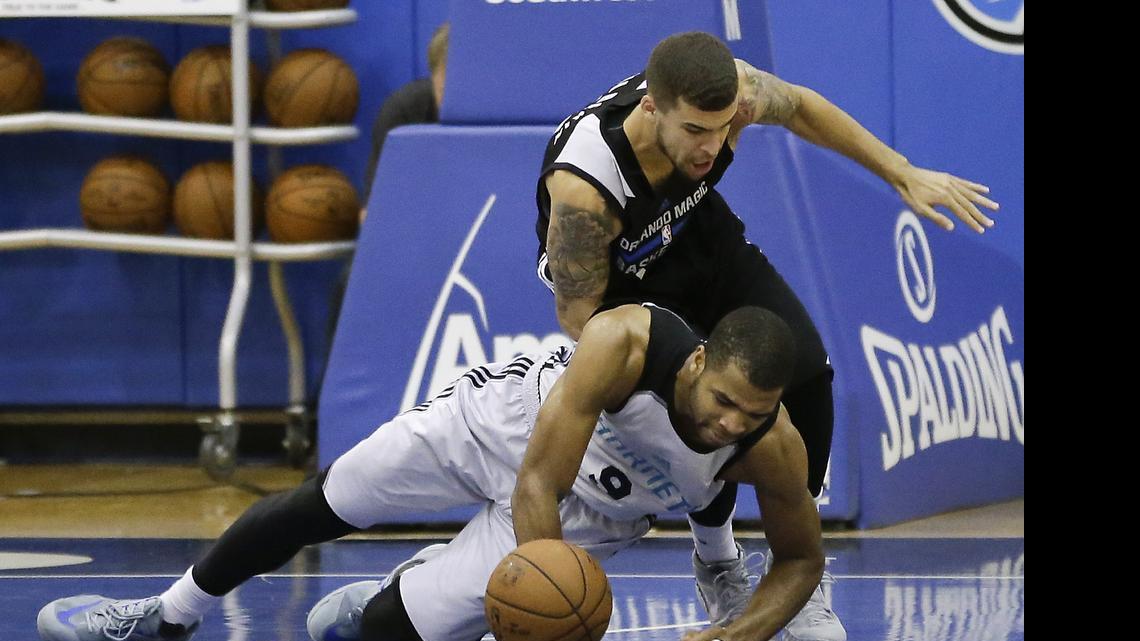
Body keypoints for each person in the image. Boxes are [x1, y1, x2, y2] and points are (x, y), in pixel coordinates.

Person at [534, 31, 1000, 640]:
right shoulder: (585, 191)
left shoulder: (738, 93)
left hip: (698, 237)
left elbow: (802, 107)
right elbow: (580, 318)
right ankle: (718, 558)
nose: (713, 145)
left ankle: (797, 573)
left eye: (723, 128)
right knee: (710, 404)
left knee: (805, 370)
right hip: (624, 286)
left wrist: (901, 173)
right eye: (696, 132)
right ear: (652, 107)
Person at [37, 303, 824, 641]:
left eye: (749, 415)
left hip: (593, 513)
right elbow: (535, 484)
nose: (730, 423)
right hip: (500, 431)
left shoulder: (770, 444)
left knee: (381, 632)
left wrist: (736, 631)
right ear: (696, 362)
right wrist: (533, 603)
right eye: (723, 401)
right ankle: (163, 615)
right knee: (329, 500)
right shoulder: (625, 342)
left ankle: (398, 594)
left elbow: (800, 557)